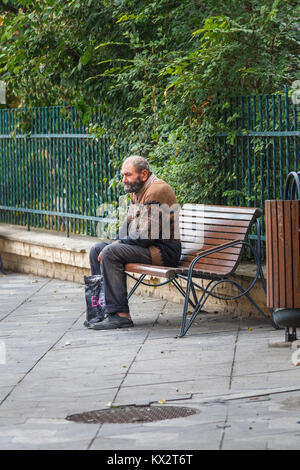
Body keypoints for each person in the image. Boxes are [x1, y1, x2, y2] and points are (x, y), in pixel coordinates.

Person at [88, 155, 181, 330]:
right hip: (146, 246)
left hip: (163, 251)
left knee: (110, 252)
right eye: (123, 175)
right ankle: (99, 310)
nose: (124, 179)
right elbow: (127, 225)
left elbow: (146, 236)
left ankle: (120, 315)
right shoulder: (137, 191)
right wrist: (115, 242)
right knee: (97, 250)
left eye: (128, 175)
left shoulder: (157, 190)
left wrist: (116, 245)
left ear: (143, 174)